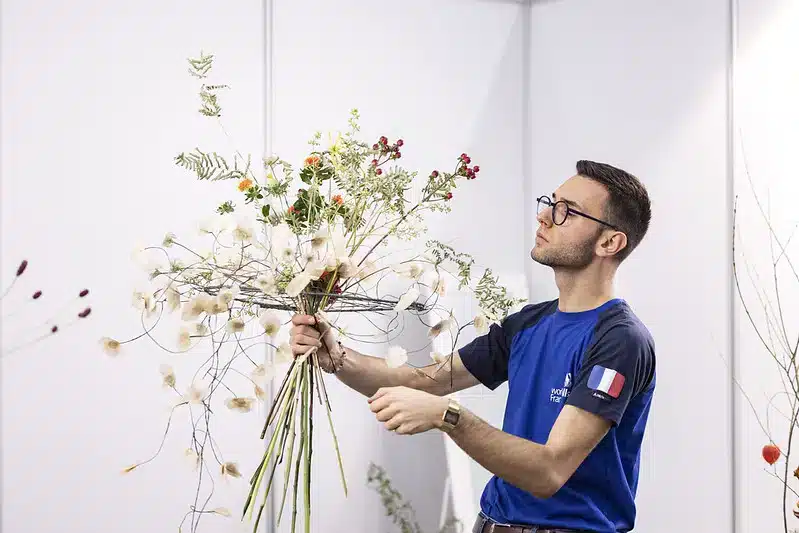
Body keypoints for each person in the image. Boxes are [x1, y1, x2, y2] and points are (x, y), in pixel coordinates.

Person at [289, 160, 656, 533]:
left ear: (610, 242)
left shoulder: (620, 340)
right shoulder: (529, 324)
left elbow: (550, 470)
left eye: (566, 212)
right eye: (551, 202)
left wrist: (449, 416)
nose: (544, 217)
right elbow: (424, 382)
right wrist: (336, 356)